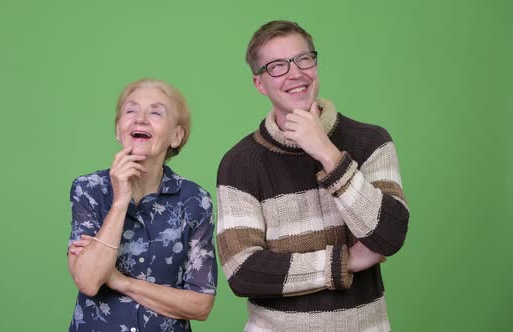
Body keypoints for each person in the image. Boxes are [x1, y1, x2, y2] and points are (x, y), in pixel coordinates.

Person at [216, 20, 409, 331]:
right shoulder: (239, 164)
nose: (295, 73)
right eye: (277, 66)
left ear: (315, 64)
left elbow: (389, 235)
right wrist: (344, 262)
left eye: (303, 59)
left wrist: (328, 154)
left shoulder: (371, 142)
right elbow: (244, 272)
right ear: (260, 84)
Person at [67, 78, 218, 332]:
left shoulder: (194, 200)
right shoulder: (89, 189)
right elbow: (90, 281)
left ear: (176, 135)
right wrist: (119, 201)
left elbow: (201, 304)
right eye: (131, 110)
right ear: (118, 129)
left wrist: (121, 282)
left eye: (156, 112)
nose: (141, 119)